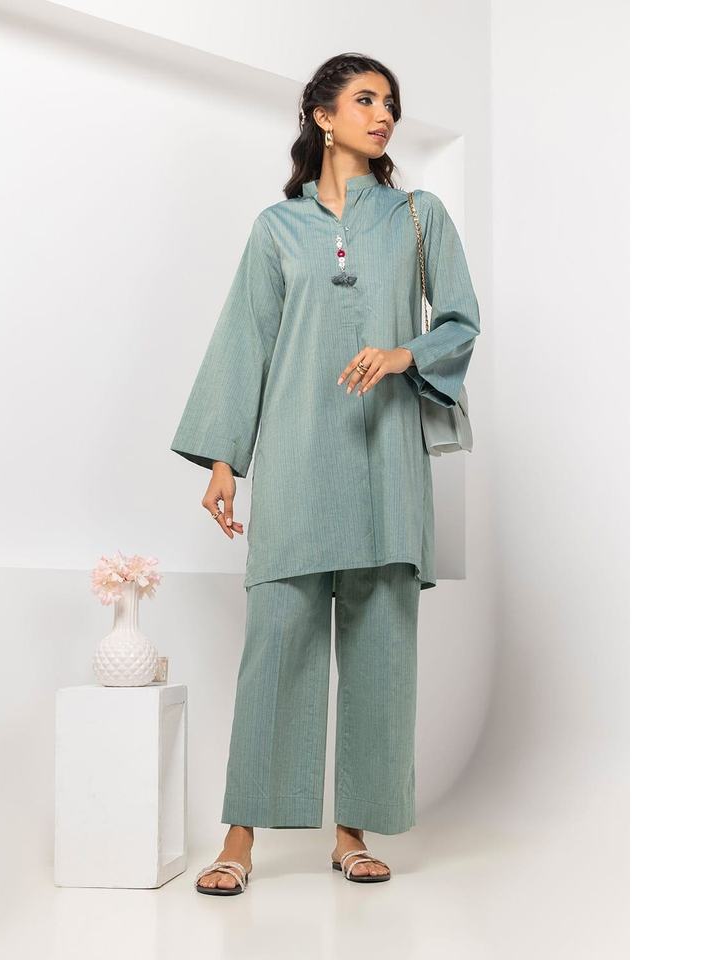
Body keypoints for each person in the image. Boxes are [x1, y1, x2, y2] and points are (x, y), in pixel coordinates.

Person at [170, 53, 480, 896]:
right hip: (299, 459)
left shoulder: (419, 215)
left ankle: (352, 833)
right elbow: (245, 340)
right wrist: (225, 460)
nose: (384, 115)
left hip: (387, 465)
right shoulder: (278, 228)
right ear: (322, 115)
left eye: (391, 103)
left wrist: (402, 353)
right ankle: (240, 836)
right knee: (276, 646)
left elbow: (460, 320)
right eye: (366, 99)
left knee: (381, 655)